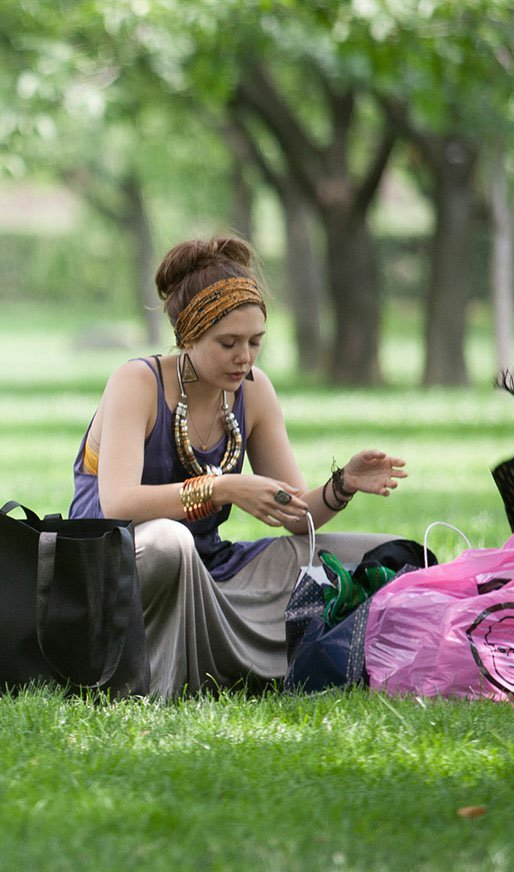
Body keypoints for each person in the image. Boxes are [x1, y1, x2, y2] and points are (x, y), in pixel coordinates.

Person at [69, 237, 408, 699]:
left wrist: (342, 484)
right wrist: (221, 488)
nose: (244, 357)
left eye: (255, 342)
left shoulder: (254, 390)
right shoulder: (137, 382)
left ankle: (297, 659)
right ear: (187, 335)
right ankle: (165, 674)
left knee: (385, 556)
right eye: (228, 343)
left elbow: (296, 517)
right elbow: (118, 504)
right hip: (119, 569)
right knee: (172, 543)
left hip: (214, 571)